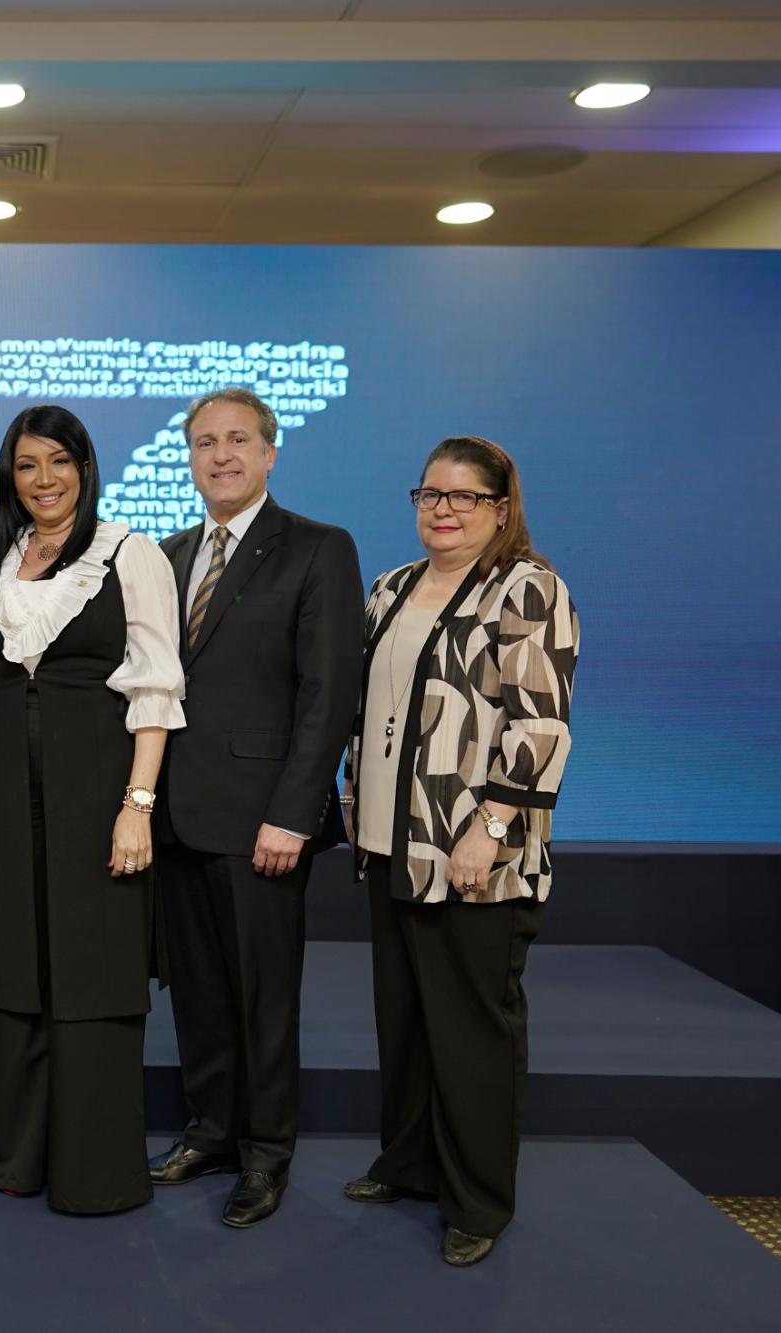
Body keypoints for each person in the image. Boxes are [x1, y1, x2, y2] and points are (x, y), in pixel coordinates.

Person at [341, 436, 578, 1268]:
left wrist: (492, 828)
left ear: (501, 508)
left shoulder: (529, 589)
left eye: (464, 496)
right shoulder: (390, 588)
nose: (442, 508)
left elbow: (540, 724)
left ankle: (478, 1200)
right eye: (429, 493)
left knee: (472, 1031)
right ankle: (408, 1163)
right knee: (404, 1021)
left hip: (473, 855)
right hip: (390, 844)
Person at [0, 404, 185, 1216]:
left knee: (93, 966)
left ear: (85, 468)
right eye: (27, 465)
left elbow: (157, 692)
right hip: (12, 798)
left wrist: (138, 805)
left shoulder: (132, 553)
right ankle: (14, 1158)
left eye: (59, 461)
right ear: (9, 477)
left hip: (99, 788)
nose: (44, 479)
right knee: (18, 961)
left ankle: (94, 1172)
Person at [145, 387, 362, 1229]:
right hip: (176, 816)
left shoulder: (316, 548)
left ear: (271, 453)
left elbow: (327, 693)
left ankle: (267, 1153)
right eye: (205, 442)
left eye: (238, 440)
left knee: (264, 995)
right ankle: (211, 1130)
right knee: (197, 990)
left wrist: (295, 812)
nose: (221, 455)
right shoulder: (165, 556)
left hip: (265, 819)